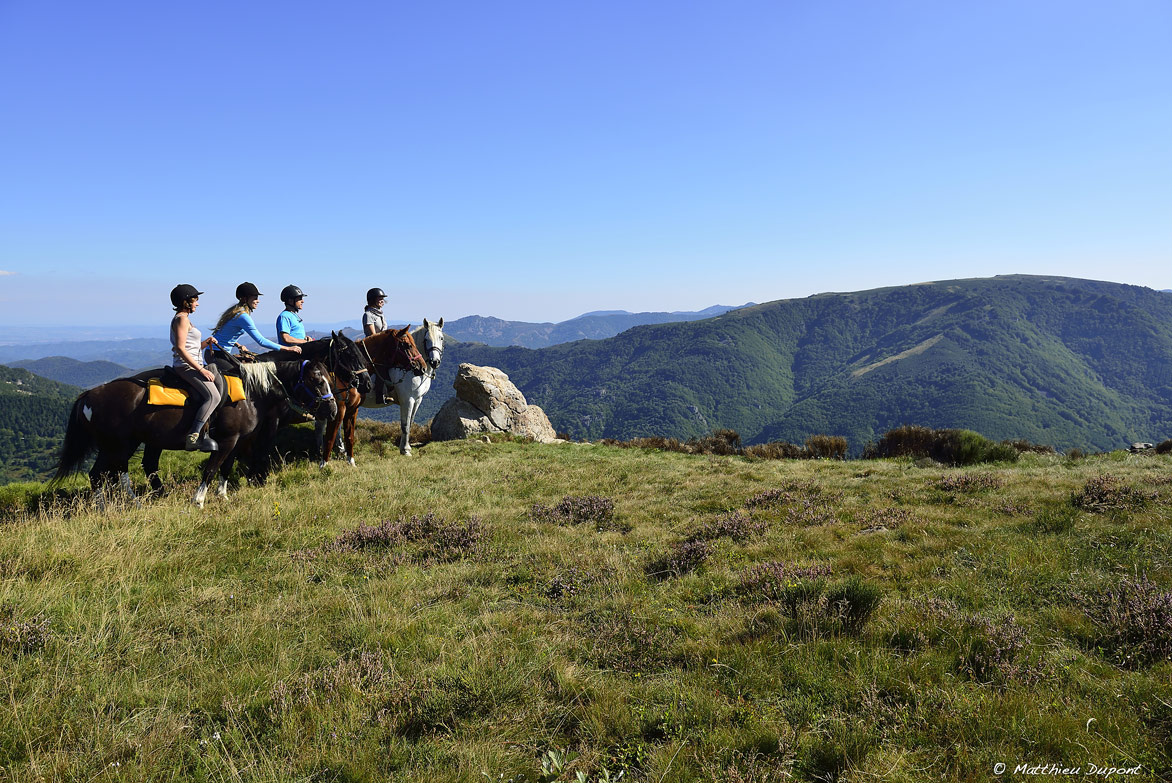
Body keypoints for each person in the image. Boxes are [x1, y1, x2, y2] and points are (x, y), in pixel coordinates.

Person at [168, 284, 221, 451]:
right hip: (186, 367)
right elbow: (180, 348)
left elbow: (192, 347)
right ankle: (194, 435)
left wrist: (206, 342)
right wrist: (200, 369)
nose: (197, 303)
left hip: (193, 364)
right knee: (213, 397)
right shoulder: (181, 319)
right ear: (186, 302)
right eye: (195, 300)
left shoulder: (184, 318)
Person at [207, 282, 299, 363]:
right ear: (245, 299)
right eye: (255, 298)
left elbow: (226, 334)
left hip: (216, 352)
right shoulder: (243, 316)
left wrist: (238, 345)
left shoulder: (236, 312)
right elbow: (261, 341)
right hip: (216, 354)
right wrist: (287, 348)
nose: (258, 301)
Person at [362, 287, 390, 403]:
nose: (382, 300)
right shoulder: (368, 315)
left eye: (382, 298)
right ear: (372, 300)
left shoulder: (380, 314)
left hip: (382, 346)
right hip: (372, 347)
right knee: (381, 366)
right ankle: (380, 395)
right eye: (380, 298)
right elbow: (373, 336)